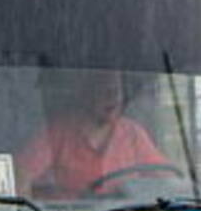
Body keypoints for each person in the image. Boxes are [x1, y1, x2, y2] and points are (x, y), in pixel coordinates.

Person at [16, 74, 173, 198]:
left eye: (116, 91)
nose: (113, 98)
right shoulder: (58, 133)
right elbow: (21, 177)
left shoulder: (132, 134)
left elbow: (166, 180)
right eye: (105, 91)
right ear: (87, 93)